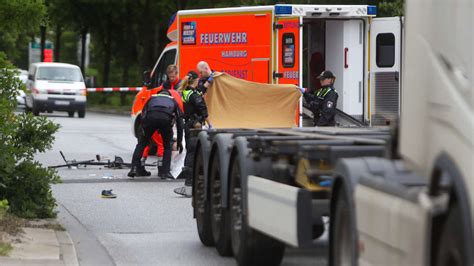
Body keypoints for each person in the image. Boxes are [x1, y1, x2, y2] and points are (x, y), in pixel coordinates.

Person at [128, 89, 184, 179]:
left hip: (150, 119)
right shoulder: (173, 100)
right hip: (165, 120)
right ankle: (164, 172)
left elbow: (143, 114)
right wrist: (180, 141)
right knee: (167, 146)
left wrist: (143, 131)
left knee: (142, 143)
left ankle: (134, 168)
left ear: (159, 94)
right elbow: (180, 122)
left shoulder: (151, 99)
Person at [174, 71, 210, 197]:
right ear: (194, 80)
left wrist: (208, 82)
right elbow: (201, 106)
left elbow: (199, 91)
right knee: (193, 153)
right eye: (198, 80)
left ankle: (191, 185)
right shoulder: (193, 95)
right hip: (195, 126)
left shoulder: (186, 91)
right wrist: (209, 121)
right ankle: (190, 186)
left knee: (191, 151)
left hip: (188, 124)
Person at [142, 65, 181, 160]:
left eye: (173, 76)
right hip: (167, 110)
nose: (171, 79)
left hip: (176, 109)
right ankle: (161, 155)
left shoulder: (181, 84)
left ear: (176, 74)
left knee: (173, 137)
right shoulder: (165, 84)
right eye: (170, 76)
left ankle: (169, 154)